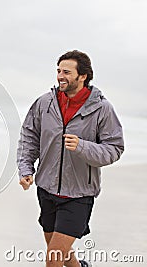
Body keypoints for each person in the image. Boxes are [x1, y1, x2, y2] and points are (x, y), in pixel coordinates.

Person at [17, 50, 124, 267]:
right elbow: (29, 136)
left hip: (78, 195)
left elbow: (115, 148)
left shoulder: (102, 109)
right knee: (61, 254)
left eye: (66, 72)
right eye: (58, 71)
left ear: (82, 76)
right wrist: (26, 169)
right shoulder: (44, 103)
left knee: (53, 258)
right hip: (46, 190)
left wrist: (82, 146)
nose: (59, 76)